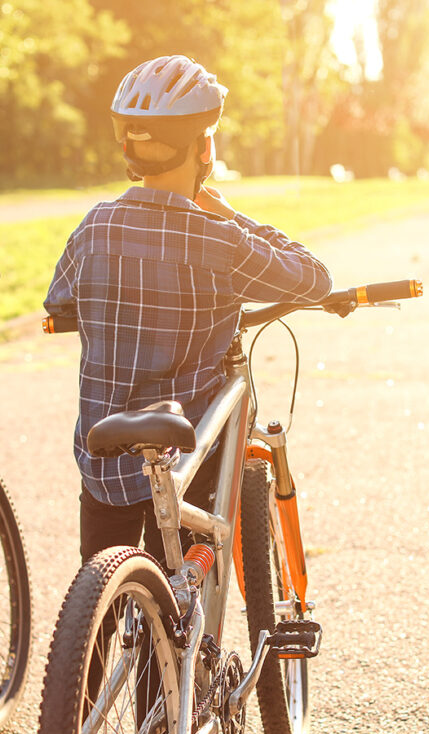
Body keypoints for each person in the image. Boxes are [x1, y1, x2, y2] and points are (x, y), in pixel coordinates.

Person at [45, 54, 332, 570]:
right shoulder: (220, 241)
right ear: (204, 147)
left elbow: (60, 301)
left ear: (130, 148)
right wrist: (230, 215)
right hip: (185, 462)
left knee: (101, 605)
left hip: (104, 459)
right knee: (181, 602)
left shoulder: (95, 227)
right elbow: (314, 277)